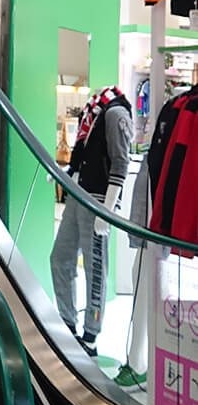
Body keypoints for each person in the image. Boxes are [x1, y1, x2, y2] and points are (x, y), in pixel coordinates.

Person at [50, 85, 133, 355]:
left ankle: (91, 334)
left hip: (97, 200)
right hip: (78, 195)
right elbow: (85, 155)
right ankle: (67, 321)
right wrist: (68, 172)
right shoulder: (93, 113)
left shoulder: (115, 113)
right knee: (60, 257)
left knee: (95, 268)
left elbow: (121, 162)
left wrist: (107, 210)